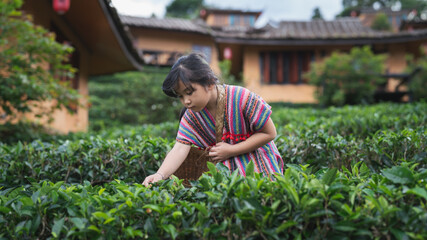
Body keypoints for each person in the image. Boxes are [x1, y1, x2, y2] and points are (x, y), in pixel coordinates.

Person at [143, 52, 284, 186]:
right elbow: (180, 148)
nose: (186, 101)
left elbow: (269, 133)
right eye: (180, 96)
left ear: (209, 83)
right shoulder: (191, 115)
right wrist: (160, 175)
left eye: (189, 92)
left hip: (260, 167)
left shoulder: (241, 97)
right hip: (228, 176)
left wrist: (232, 150)